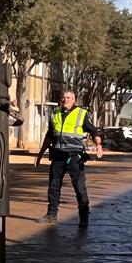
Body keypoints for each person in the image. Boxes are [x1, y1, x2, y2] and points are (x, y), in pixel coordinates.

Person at [35, 90, 102, 226]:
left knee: (79, 187)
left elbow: (94, 131)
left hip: (74, 157)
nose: (65, 100)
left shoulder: (81, 113)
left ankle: (83, 217)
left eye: (68, 98)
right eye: (63, 98)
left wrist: (99, 145)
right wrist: (41, 153)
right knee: (53, 186)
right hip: (58, 155)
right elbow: (50, 135)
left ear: (73, 99)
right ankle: (51, 215)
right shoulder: (55, 114)